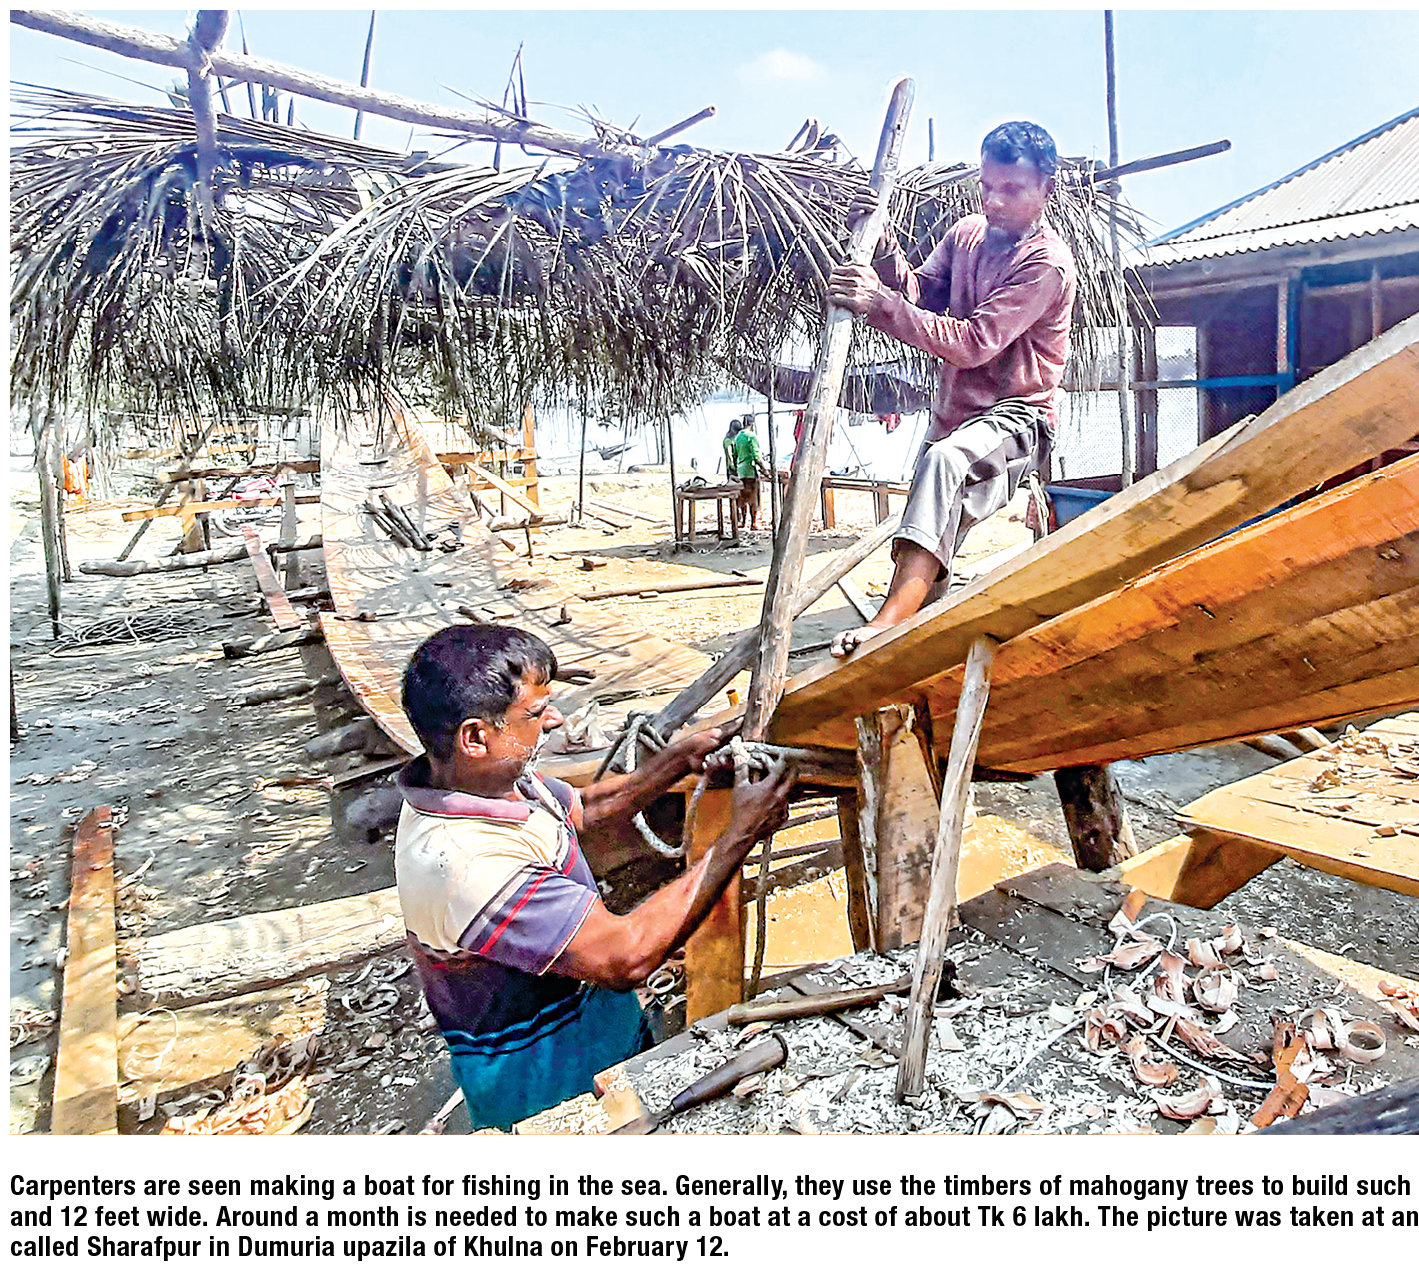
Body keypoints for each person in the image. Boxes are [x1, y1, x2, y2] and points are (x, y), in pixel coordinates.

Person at [393, 624, 792, 1129]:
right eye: (535, 713)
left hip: (596, 1028)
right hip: (543, 1077)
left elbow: (578, 809)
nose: (555, 719)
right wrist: (739, 835)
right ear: (475, 737)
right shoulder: (468, 863)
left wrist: (675, 762)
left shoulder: (486, 782)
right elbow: (626, 957)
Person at [825, 120, 1075, 656]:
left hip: (1017, 421)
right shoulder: (966, 236)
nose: (995, 201)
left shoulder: (1045, 264)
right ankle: (909, 646)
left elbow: (974, 342)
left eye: (1012, 189)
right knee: (931, 536)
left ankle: (888, 622)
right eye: (988, 186)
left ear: (1046, 189)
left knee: (942, 464)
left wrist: (879, 304)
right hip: (956, 419)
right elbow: (921, 291)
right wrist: (884, 247)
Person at [726, 415, 762, 531]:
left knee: (743, 497)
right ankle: (754, 523)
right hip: (750, 470)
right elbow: (756, 456)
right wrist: (764, 469)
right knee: (753, 497)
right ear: (752, 424)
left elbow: (735, 455)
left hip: (741, 471)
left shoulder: (737, 437)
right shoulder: (752, 436)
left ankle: (744, 522)